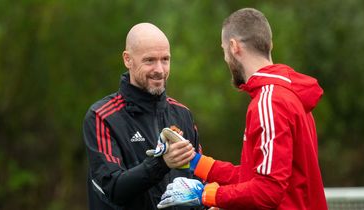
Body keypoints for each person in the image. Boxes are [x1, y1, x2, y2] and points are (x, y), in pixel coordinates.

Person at [158, 8, 328, 210]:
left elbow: (268, 190)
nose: (225, 59)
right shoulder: (288, 95)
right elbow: (258, 176)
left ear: (233, 46)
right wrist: (197, 163)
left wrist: (206, 194)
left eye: (223, 51)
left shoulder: (269, 102)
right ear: (269, 44)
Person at [82, 23, 202, 210]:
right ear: (127, 60)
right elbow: (113, 188)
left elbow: (200, 179)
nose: (160, 70)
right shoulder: (101, 116)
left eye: (165, 59)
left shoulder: (182, 114)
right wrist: (162, 163)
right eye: (149, 60)